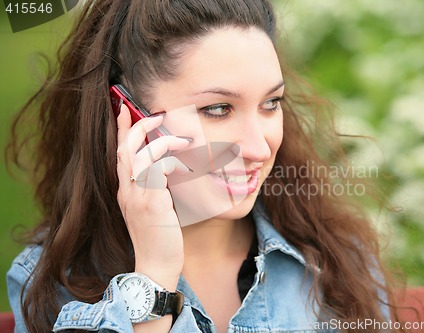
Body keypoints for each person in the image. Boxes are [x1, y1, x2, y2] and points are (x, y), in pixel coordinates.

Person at [6, 0, 402, 332]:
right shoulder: (54, 282)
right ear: (126, 112)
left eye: (271, 103)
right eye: (217, 109)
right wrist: (154, 278)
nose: (257, 148)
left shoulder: (334, 259)